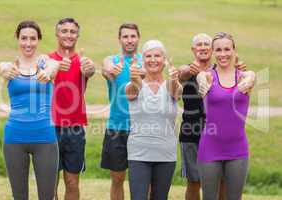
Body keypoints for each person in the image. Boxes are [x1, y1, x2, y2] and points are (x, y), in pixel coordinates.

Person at [178, 33, 252, 200]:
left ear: (234, 51)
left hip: (238, 149)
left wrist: (251, 76)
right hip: (210, 147)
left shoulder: (245, 77)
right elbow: (197, 76)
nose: (223, 53)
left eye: (227, 49)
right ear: (213, 52)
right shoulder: (206, 76)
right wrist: (202, 82)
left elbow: (251, 77)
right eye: (218, 50)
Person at [0, 20, 60, 200]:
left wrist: (47, 71)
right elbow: (3, 67)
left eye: (33, 38)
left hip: (45, 138)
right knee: (19, 196)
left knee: (47, 196)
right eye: (24, 38)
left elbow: (53, 66)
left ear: (38, 40)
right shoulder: (10, 67)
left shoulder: (47, 64)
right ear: (17, 39)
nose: (28, 43)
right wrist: (4, 69)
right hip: (14, 138)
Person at [126, 40, 182, 200]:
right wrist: (134, 78)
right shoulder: (132, 85)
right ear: (143, 60)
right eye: (148, 56)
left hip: (165, 155)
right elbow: (132, 90)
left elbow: (174, 92)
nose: (153, 59)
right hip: (139, 155)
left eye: (157, 55)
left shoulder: (173, 86)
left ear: (164, 60)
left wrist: (173, 79)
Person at [49, 17, 95, 200]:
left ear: (78, 35)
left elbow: (90, 71)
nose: (69, 35)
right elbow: (44, 70)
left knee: (72, 182)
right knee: (50, 181)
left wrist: (90, 69)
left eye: (73, 32)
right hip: (50, 126)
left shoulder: (83, 61)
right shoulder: (47, 59)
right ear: (57, 33)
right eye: (64, 31)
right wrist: (56, 66)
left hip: (75, 128)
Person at [101, 23, 144, 200]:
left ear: (138, 38)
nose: (129, 40)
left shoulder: (147, 60)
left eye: (133, 36)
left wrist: (144, 73)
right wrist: (110, 69)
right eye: (125, 36)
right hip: (117, 127)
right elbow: (106, 68)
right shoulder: (112, 60)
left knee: (143, 180)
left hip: (142, 128)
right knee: (117, 178)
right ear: (119, 39)